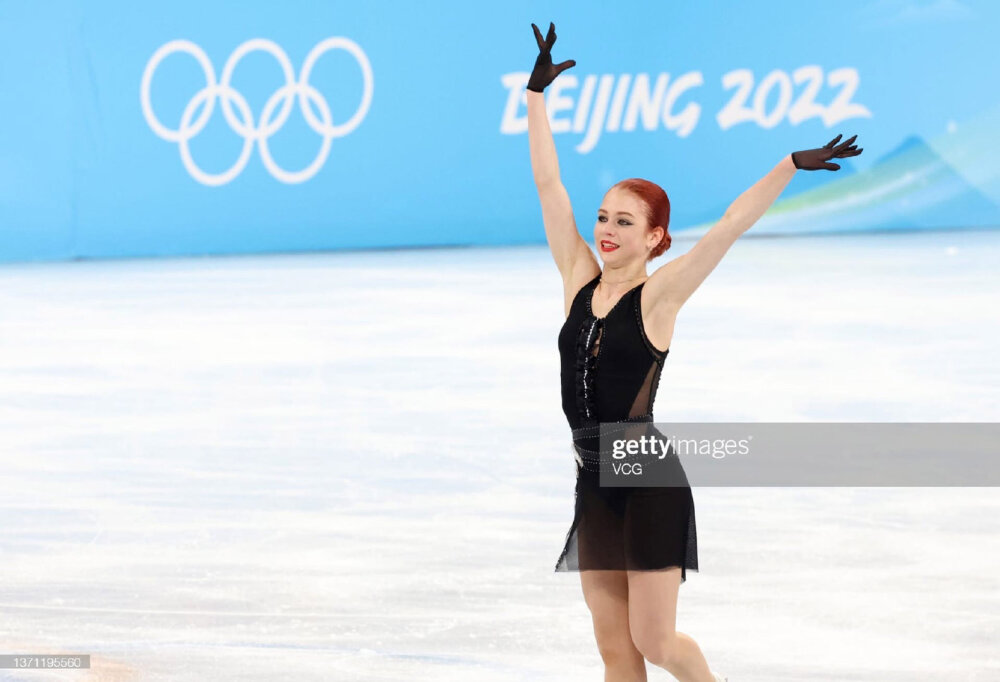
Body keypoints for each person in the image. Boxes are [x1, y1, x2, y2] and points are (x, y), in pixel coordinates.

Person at [526, 21, 862, 682]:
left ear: (657, 240)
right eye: (603, 218)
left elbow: (731, 225)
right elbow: (548, 185)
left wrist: (789, 166)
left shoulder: (660, 297)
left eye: (625, 222)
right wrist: (535, 96)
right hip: (593, 477)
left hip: (647, 478)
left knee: (654, 640)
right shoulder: (576, 276)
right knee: (612, 647)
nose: (607, 230)